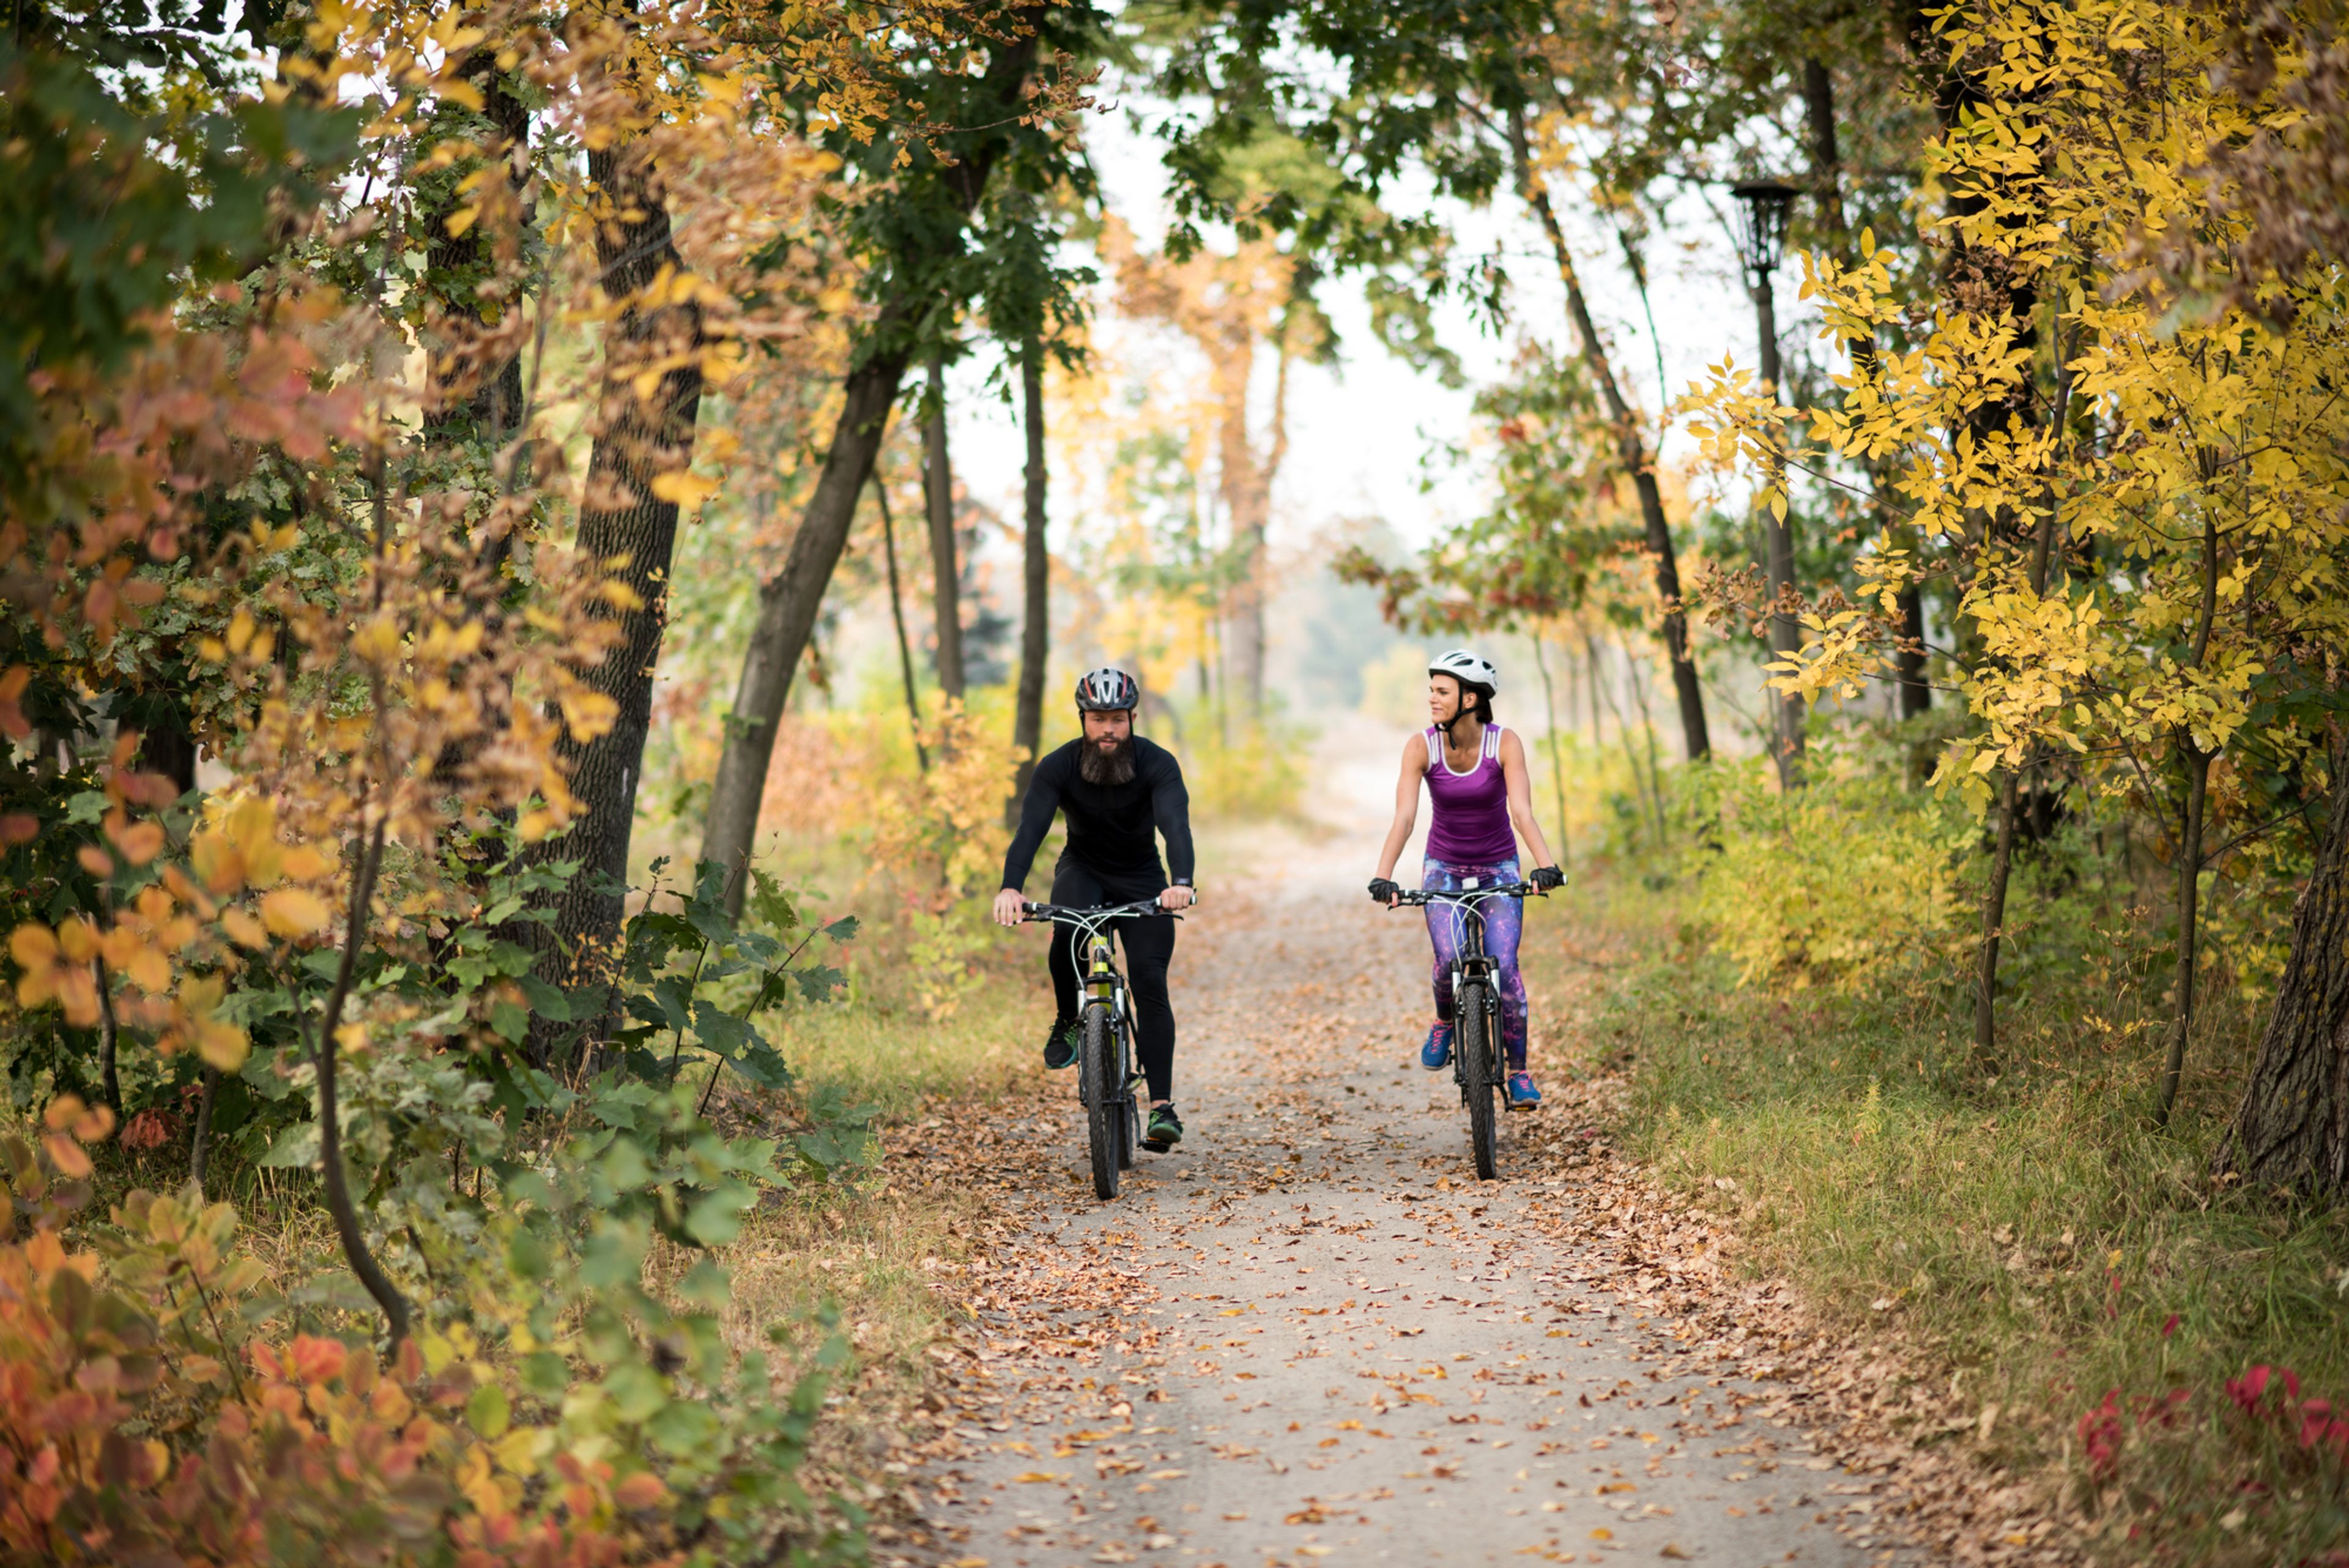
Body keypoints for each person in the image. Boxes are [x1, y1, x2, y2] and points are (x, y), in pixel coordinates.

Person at [993, 667, 1197, 1152]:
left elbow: (1176, 825)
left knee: (1149, 980)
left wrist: (1181, 882)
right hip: (1083, 868)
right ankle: (1068, 1018)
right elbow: (1030, 829)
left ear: (1132, 718)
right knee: (1066, 934)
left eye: (1118, 719)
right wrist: (1010, 887)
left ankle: (1163, 1107)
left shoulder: (1157, 763)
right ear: (1083, 718)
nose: (1109, 728)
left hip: (1144, 876)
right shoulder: (1058, 766)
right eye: (1099, 718)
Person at [1367, 649, 1565, 1109]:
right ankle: (1443, 1021)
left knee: (1506, 965)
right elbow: (1405, 818)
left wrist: (1546, 864)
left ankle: (1519, 1074)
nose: (1431, 698)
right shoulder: (1421, 746)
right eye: (1431, 689)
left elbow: (1522, 813)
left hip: (1499, 868)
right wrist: (1383, 876)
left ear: (1470, 697)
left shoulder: (1504, 743)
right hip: (1444, 867)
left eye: (1441, 691)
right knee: (1447, 957)